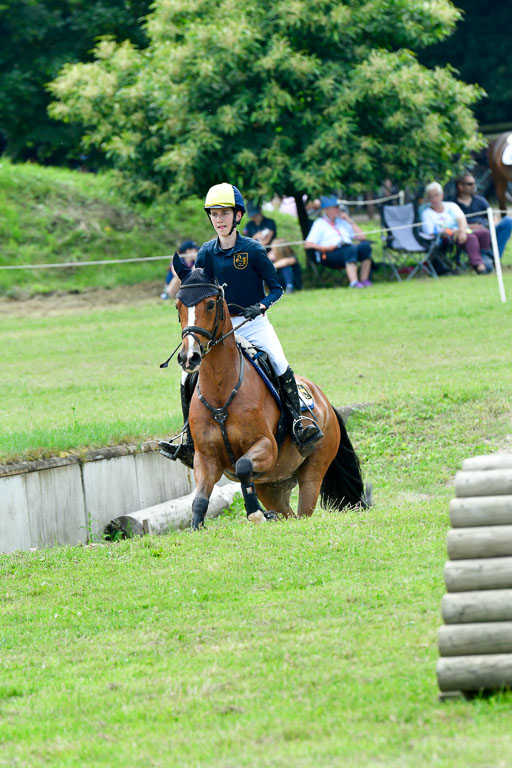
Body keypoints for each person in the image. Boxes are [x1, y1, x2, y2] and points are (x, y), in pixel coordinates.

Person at [159, 182, 323, 467]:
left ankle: (299, 422)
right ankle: (188, 438)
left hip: (253, 324)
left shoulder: (254, 250)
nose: (218, 220)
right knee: (186, 376)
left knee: (279, 362)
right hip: (217, 329)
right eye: (213, 214)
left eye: (224, 214)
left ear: (237, 216)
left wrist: (260, 306)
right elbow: (199, 291)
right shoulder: (206, 253)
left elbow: (277, 288)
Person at [421, 182, 490, 274]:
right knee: (471, 238)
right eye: (431, 197)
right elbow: (430, 232)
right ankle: (478, 265)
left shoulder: (451, 206)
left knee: (484, 233)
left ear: (442, 195)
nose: (434, 199)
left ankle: (485, 258)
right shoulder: (426, 213)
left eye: (436, 195)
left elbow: (461, 219)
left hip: (463, 231)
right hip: (445, 237)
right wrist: (456, 231)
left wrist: (461, 231)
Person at [304, 196, 373, 287]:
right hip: (330, 253)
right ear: (326, 210)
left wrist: (350, 221)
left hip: (348, 249)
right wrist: (325, 248)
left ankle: (364, 280)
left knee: (365, 246)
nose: (338, 210)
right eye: (335, 207)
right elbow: (308, 244)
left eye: (338, 207)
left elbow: (362, 237)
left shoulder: (343, 222)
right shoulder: (319, 224)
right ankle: (354, 282)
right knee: (350, 249)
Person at [450, 173, 512, 259]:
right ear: (460, 186)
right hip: (469, 233)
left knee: (508, 221)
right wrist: (470, 227)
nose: (473, 186)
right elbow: (451, 224)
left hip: (487, 229)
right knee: (482, 233)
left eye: (474, 183)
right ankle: (485, 259)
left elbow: (493, 217)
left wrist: (492, 225)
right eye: (470, 184)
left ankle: (494, 258)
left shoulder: (480, 200)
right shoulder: (453, 205)